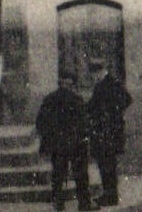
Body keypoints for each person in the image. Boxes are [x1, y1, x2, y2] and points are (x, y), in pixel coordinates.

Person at [36, 69, 93, 212]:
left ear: (59, 82)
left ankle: (58, 204)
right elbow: (84, 123)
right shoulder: (77, 99)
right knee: (81, 175)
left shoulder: (50, 99)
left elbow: (40, 122)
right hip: (76, 144)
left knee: (58, 176)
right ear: (71, 83)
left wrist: (48, 140)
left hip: (58, 145)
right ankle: (84, 204)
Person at [86, 63, 131, 207]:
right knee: (107, 164)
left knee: (107, 165)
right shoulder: (109, 84)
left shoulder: (107, 84)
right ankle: (110, 195)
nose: (93, 78)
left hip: (107, 132)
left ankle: (110, 196)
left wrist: (112, 113)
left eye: (94, 75)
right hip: (108, 132)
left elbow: (127, 99)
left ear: (100, 72)